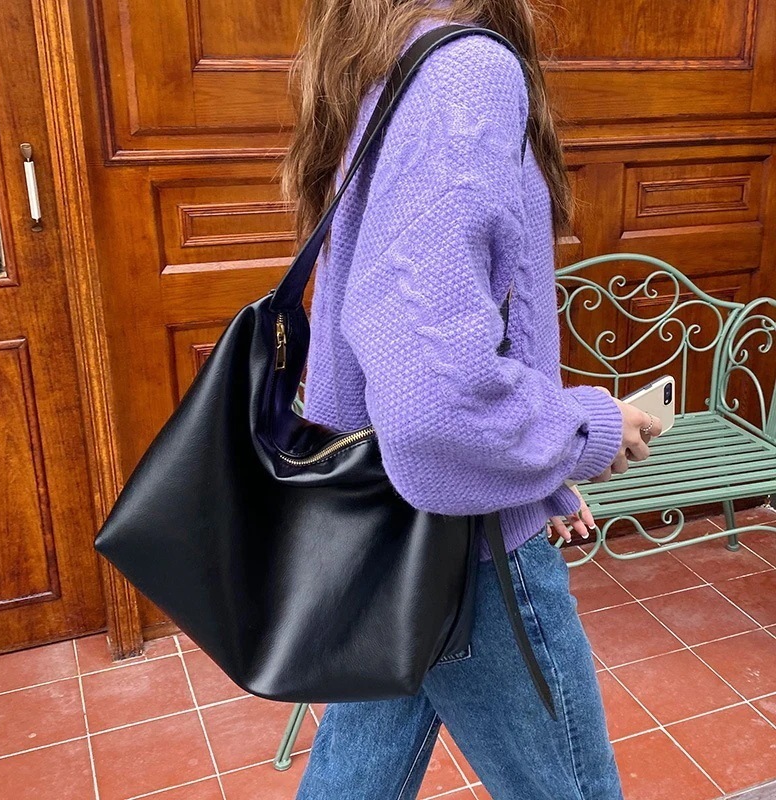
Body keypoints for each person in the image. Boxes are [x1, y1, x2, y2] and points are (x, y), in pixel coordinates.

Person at [281, 1, 661, 798]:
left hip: (386, 528)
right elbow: (436, 400)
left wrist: (537, 477)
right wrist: (585, 430)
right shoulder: (465, 71)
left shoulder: (386, 62)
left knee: (356, 779)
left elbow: (413, 353)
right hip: (473, 550)